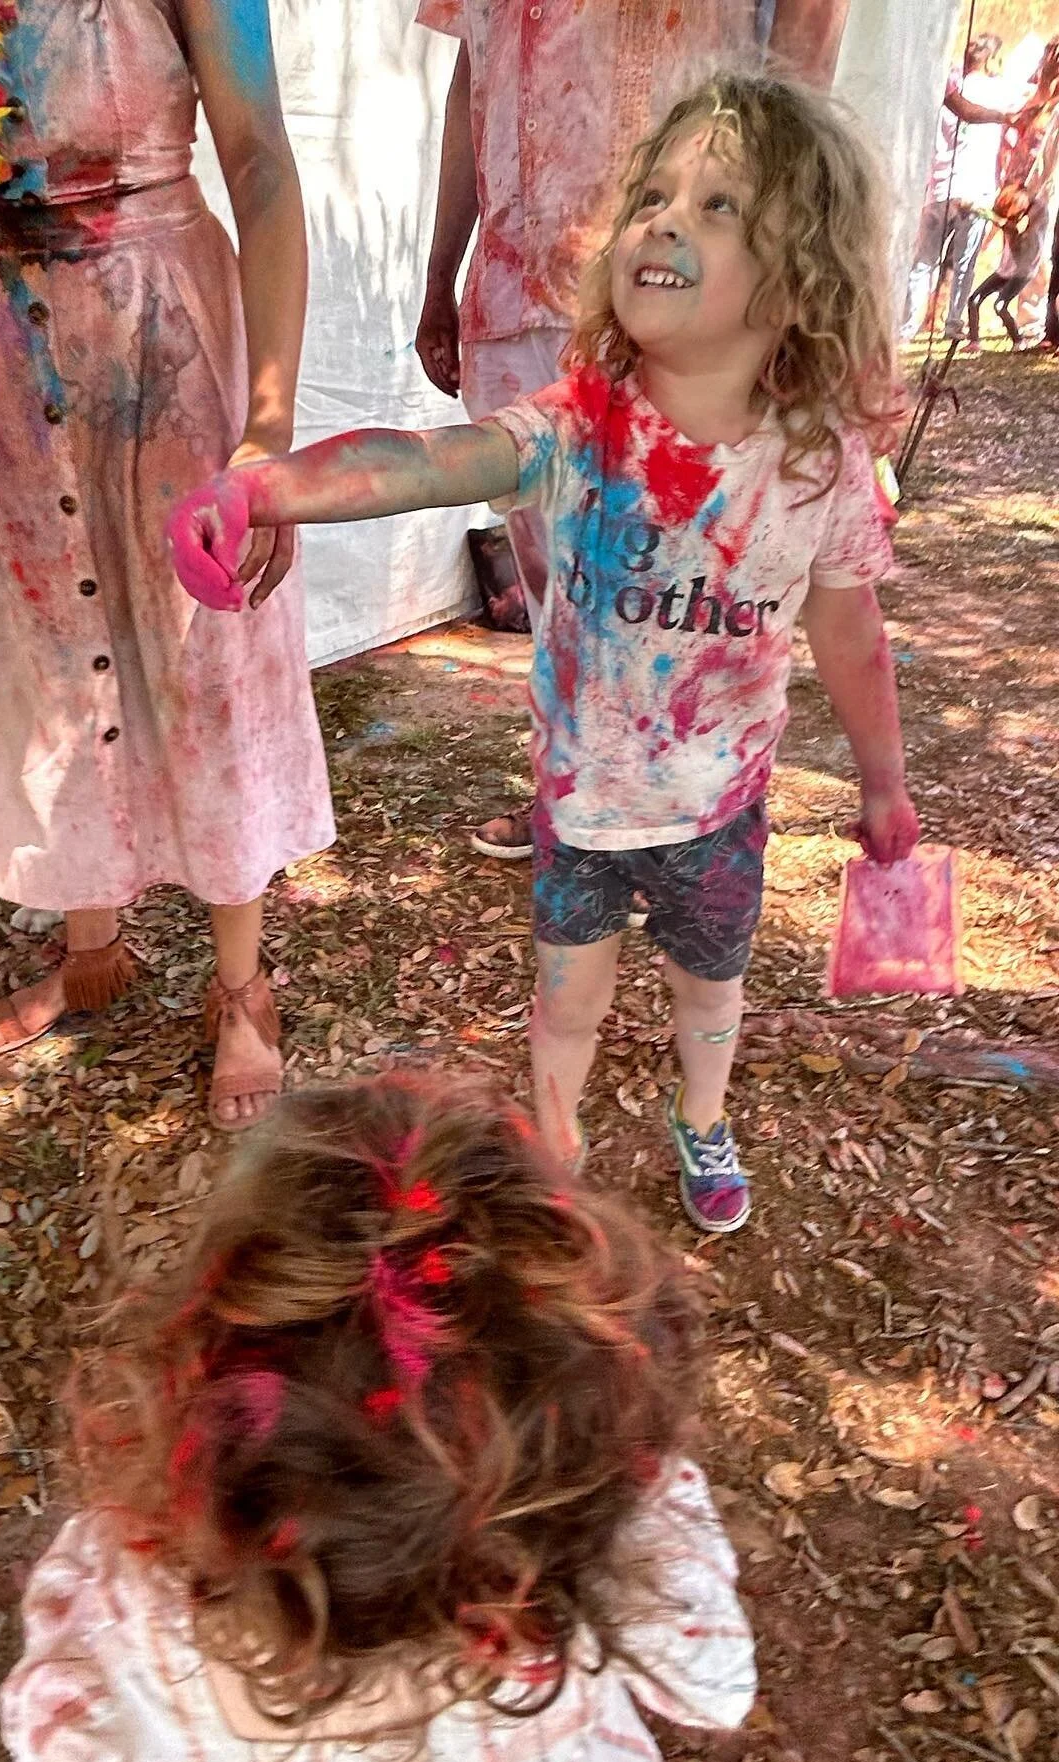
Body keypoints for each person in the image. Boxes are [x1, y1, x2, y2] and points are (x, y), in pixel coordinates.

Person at [170, 73, 920, 1234]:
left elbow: (849, 631)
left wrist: (883, 779)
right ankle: (557, 1142)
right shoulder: (580, 426)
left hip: (721, 809)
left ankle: (702, 1114)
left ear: (800, 274)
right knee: (568, 998)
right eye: (655, 196)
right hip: (580, 805)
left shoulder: (816, 464)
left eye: (720, 206)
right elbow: (428, 460)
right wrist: (266, 485)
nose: (666, 219)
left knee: (708, 990)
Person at [0, 0, 334, 1130]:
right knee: (48, 657)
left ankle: (244, 986)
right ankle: (91, 948)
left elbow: (259, 165)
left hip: (167, 346)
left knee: (206, 668)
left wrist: (267, 434)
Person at [1, 1073, 755, 1762]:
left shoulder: (125, 1584)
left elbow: (55, 1746)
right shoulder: (617, 1555)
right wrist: (646, 1493)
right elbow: (715, 1690)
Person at [414, 0, 855, 863]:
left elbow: (802, 58)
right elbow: (475, 76)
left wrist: (778, 277)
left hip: (682, 294)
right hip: (516, 290)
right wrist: (443, 267)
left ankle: (687, 815)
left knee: (681, 585)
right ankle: (571, 796)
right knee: (560, 592)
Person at [903, 35, 1019, 343]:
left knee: (924, 262)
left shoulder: (949, 89)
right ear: (992, 60)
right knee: (964, 265)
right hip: (977, 189)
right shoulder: (999, 92)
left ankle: (908, 327)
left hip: (939, 188)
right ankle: (953, 324)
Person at [967, 181, 1051, 346]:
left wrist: (986, 214)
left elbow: (1018, 228)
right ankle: (974, 342)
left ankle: (1018, 341)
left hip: (1024, 268)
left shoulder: (1038, 207)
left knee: (1000, 305)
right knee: (974, 300)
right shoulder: (1011, 208)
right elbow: (998, 217)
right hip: (1007, 266)